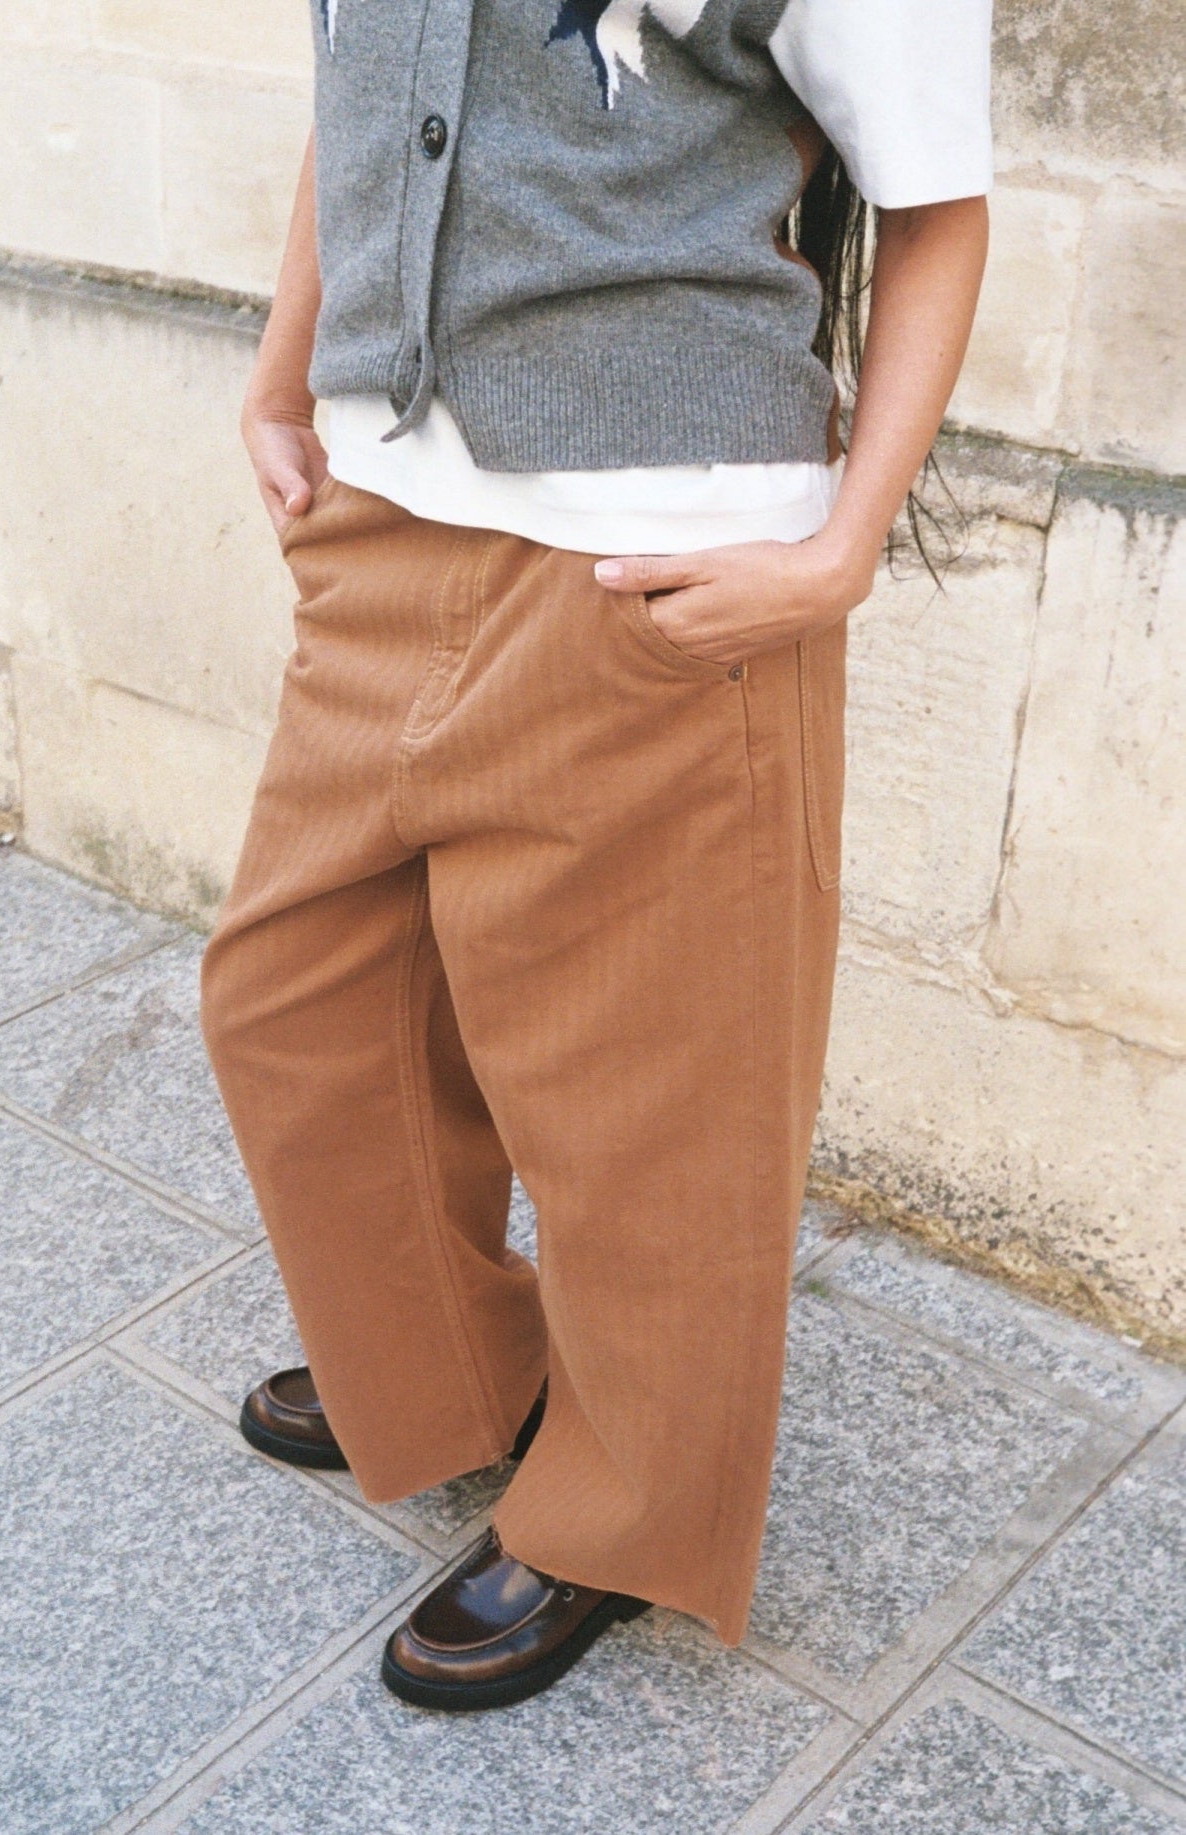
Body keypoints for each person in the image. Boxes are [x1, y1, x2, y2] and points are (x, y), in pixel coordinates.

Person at [201, 0, 991, 1713]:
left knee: (652, 1115)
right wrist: (282, 370)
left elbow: (935, 200)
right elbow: (359, 85)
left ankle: (623, 1516)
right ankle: (457, 1371)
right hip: (385, 513)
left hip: (660, 565)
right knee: (297, 1002)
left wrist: (844, 552)